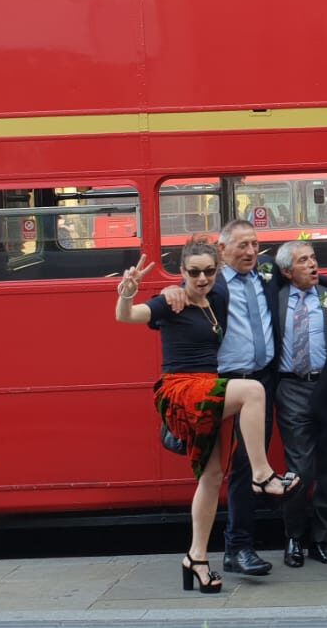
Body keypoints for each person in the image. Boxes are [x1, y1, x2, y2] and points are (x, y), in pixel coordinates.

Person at [163, 219, 327, 578]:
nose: (250, 252)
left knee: (248, 468)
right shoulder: (213, 283)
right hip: (223, 382)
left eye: (254, 244)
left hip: (260, 384)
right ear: (222, 249)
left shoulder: (265, 275)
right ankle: (225, 549)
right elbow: (184, 289)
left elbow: (298, 271)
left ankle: (238, 549)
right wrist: (172, 290)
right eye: (242, 245)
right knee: (217, 471)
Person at [115, 241, 297, 593]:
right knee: (254, 391)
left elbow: (242, 261)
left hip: (209, 389)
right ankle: (262, 476)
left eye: (208, 271)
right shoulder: (171, 302)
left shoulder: (216, 300)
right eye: (193, 272)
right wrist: (128, 292)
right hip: (181, 388)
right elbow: (125, 316)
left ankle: (196, 558)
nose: (202, 278)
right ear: (181, 272)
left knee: (213, 477)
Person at [274, 240, 327, 568]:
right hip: (292, 389)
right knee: (300, 471)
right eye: (303, 261)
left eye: (314, 259)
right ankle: (294, 537)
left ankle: (321, 540)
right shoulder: (277, 297)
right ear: (286, 271)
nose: (313, 265)